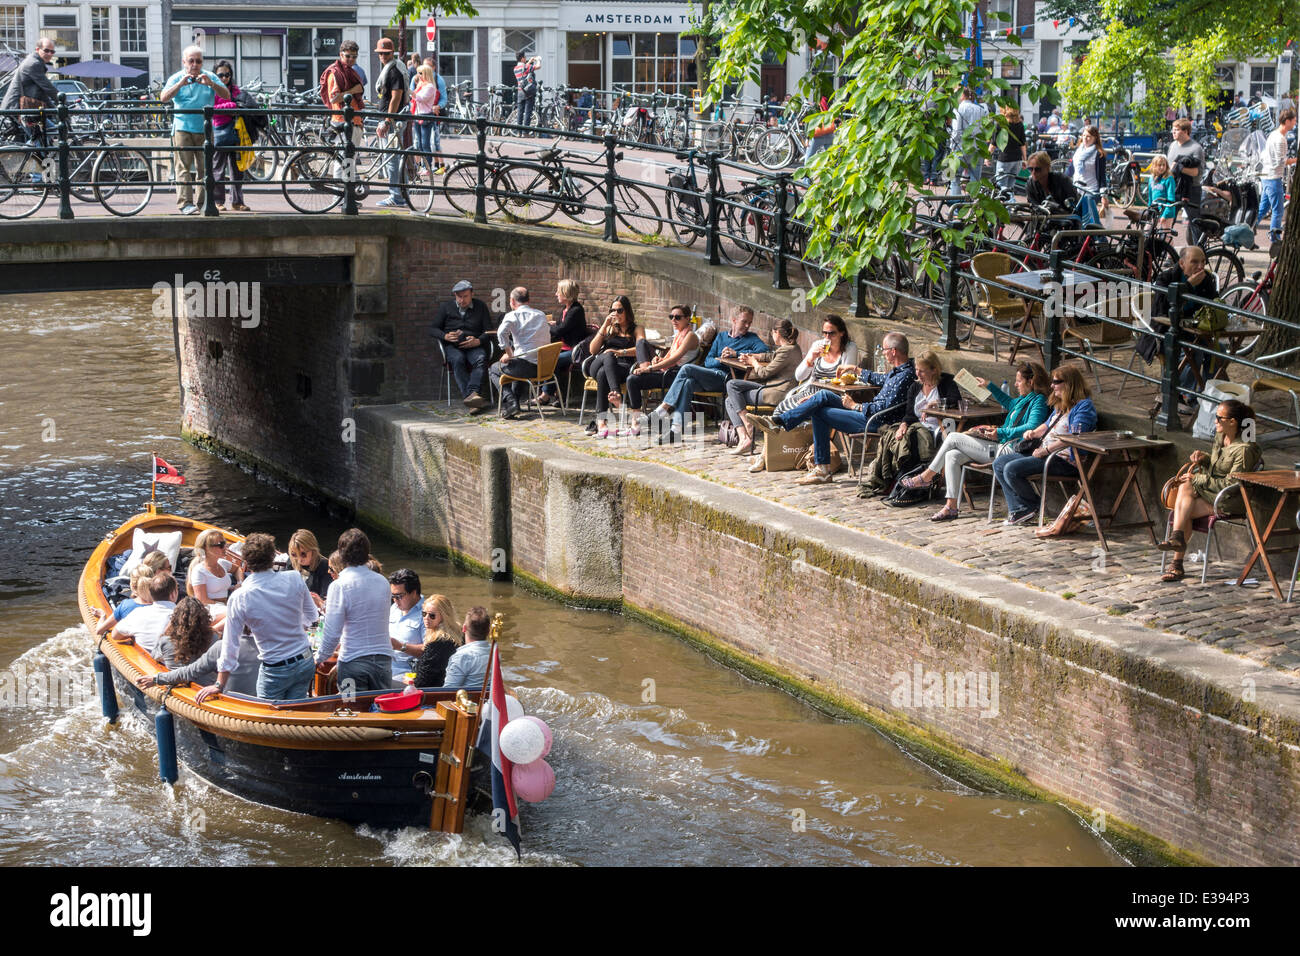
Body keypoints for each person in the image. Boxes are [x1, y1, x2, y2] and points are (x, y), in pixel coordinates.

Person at [898, 362, 1052, 521]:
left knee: (952, 438)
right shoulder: (1023, 399)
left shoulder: (1038, 400)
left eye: (1019, 381)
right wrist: (989, 386)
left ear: (1031, 382)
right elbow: (1009, 403)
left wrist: (1000, 432)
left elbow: (1033, 427)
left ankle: (927, 477)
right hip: (1001, 444)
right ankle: (951, 507)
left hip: (1011, 449)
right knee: (952, 455)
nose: (1015, 384)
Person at [765, 331, 917, 485]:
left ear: (893, 351)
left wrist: (855, 406)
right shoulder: (898, 371)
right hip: (869, 413)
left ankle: (821, 469)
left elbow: (884, 408)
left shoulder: (905, 376)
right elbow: (879, 378)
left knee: (819, 411)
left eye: (884, 350)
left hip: (875, 420)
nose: (882, 353)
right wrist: (854, 369)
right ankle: (781, 422)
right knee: (823, 395)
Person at [190, 533, 317, 702]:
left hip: (276, 670)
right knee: (294, 714)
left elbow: (230, 645)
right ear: (273, 557)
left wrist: (219, 684)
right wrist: (291, 624)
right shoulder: (295, 578)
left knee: (268, 723)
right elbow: (312, 616)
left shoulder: (239, 597)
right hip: (305, 660)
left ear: (247, 562)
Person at [1158, 399, 1262, 581]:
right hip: (1210, 493)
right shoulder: (1221, 437)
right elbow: (1217, 468)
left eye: (1219, 417)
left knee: (1184, 502)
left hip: (1229, 500)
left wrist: (1198, 478)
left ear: (1232, 422)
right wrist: (1204, 459)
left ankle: (1177, 560)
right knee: (1185, 497)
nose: (1214, 420)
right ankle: (1177, 547)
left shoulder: (1245, 450)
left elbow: (1231, 484)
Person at [991, 365, 1097, 525]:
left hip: (1063, 459)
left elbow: (1074, 437)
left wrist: (1046, 450)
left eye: (1056, 382)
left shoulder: (1084, 407)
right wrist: (1033, 433)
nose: (1052, 385)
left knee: (1011, 469)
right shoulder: (1061, 405)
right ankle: (1020, 509)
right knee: (999, 463)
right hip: (1045, 454)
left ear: (1069, 384)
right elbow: (1047, 426)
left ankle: (1033, 505)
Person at [648, 306, 769, 443]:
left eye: (749, 322)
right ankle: (675, 430)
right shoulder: (721, 337)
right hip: (712, 375)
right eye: (744, 321)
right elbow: (708, 361)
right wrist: (721, 360)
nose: (747, 325)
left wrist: (735, 354)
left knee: (687, 368)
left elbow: (765, 352)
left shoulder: (751, 338)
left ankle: (663, 409)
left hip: (728, 380)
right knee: (688, 383)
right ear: (734, 320)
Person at [859, 350, 962, 494]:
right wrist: (903, 425)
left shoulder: (946, 383)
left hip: (938, 428)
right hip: (917, 425)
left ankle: (906, 483)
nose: (918, 374)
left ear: (934, 370)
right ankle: (893, 481)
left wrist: (937, 403)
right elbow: (909, 414)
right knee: (895, 437)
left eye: (922, 371)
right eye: (916, 370)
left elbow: (956, 401)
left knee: (911, 440)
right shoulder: (915, 387)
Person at [313, 528, 394, 695]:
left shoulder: (339, 585)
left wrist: (319, 658)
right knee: (381, 711)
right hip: (383, 662)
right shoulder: (383, 582)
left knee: (350, 710)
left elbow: (332, 632)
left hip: (352, 664)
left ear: (342, 554)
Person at [159, 45, 229, 215]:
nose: (195, 64)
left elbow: (226, 95)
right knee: (182, 167)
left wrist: (211, 84)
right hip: (183, 128)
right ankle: (185, 204)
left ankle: (203, 203)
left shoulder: (209, 76)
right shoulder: (176, 78)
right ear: (184, 62)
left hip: (205, 129)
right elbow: (163, 98)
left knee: (204, 169)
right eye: (191, 61)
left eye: (198, 61)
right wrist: (180, 85)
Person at [613, 306, 700, 435]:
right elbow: (669, 356)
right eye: (671, 317)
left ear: (687, 319)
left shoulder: (691, 336)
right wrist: (659, 360)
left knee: (635, 375)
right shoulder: (678, 335)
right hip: (666, 371)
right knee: (632, 377)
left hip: (676, 375)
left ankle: (638, 423)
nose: (673, 320)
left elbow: (674, 359)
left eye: (678, 317)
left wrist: (649, 369)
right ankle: (635, 422)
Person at [725, 319, 802, 457]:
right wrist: (750, 356)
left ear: (776, 333)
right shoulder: (792, 348)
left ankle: (747, 429)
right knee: (731, 394)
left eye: (773, 333)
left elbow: (764, 373)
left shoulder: (787, 351)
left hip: (776, 392)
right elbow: (771, 356)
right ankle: (744, 439)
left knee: (731, 390)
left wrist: (753, 362)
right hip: (772, 388)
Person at [774, 313, 860, 416]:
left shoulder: (849, 348)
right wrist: (811, 359)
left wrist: (816, 394)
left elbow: (845, 379)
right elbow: (799, 376)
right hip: (810, 390)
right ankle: (772, 426)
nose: (827, 337)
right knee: (783, 406)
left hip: (831, 395)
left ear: (841, 333)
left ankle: (778, 425)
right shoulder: (818, 345)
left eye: (831, 333)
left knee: (798, 409)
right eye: (824, 333)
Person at [586, 295, 645, 436]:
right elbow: (593, 350)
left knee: (602, 374)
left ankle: (601, 424)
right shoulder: (610, 328)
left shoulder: (637, 329)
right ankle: (616, 393)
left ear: (627, 312)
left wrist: (620, 352)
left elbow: (641, 348)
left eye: (620, 310)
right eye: (613, 310)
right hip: (599, 363)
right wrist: (604, 326)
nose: (616, 314)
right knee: (608, 355)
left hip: (622, 368)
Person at [490, 286, 550, 420]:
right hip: (544, 369)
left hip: (525, 368)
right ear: (528, 300)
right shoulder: (541, 315)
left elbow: (501, 333)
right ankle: (515, 404)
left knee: (493, 369)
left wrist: (509, 353)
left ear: (511, 301)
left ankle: (511, 401)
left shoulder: (512, 315)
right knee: (518, 363)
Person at [431, 279, 492, 409]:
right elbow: (433, 329)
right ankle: (470, 397)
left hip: (473, 345)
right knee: (458, 359)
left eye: (465, 297)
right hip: (453, 346)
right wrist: (445, 336)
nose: (462, 300)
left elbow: (489, 331)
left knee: (481, 358)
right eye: (459, 297)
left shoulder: (480, 306)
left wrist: (478, 341)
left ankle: (472, 395)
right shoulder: (446, 307)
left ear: (472, 294)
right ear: (455, 295)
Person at [373, 37, 409, 209]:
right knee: (396, 157)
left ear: (392, 53)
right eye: (380, 53)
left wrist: (387, 121)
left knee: (392, 158)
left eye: (386, 53)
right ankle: (403, 194)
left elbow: (396, 97)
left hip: (393, 121)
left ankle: (396, 196)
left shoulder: (394, 70)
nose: (383, 56)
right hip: (392, 119)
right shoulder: (394, 68)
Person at [539, 279, 587, 406]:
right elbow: (561, 325)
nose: (556, 294)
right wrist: (554, 324)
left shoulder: (576, 310)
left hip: (574, 350)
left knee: (553, 361)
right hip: (563, 348)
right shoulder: (565, 309)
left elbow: (561, 330)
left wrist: (546, 328)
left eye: (558, 291)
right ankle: (556, 395)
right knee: (545, 357)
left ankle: (547, 395)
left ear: (566, 293)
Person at [0, 38, 58, 143]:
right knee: (38, 139)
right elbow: (48, 87)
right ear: (37, 49)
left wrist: (55, 109)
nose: (49, 54)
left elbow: (42, 92)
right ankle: (30, 156)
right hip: (20, 108)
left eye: (52, 51)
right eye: (46, 50)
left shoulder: (35, 62)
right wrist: (63, 102)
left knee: (50, 130)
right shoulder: (33, 64)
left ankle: (38, 156)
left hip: (25, 107)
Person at [210, 60, 250, 212]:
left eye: (227, 74)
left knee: (237, 169)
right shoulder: (212, 89)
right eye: (220, 75)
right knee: (218, 169)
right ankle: (218, 202)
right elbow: (212, 108)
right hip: (219, 131)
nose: (224, 78)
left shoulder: (235, 89)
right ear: (215, 75)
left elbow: (243, 103)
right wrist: (232, 106)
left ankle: (237, 201)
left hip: (236, 130)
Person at [113, 571, 180, 658]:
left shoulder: (137, 613)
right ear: (173, 594)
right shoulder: (185, 616)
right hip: (176, 667)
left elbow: (115, 635)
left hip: (145, 664)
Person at [1258, 108, 1296, 244]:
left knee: (1262, 209)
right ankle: (1275, 240)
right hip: (1273, 177)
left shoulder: (1273, 134)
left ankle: (1246, 230)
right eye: (1294, 120)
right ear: (1287, 121)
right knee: (1278, 211)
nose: (1295, 123)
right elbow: (1282, 161)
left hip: (1266, 175)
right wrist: (1296, 160)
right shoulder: (1281, 139)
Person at [187, 529, 242, 623]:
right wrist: (225, 604)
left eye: (225, 543)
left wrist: (240, 582)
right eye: (221, 545)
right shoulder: (199, 571)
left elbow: (237, 569)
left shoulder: (222, 563)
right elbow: (202, 600)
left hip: (224, 607)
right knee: (238, 613)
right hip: (209, 609)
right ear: (206, 548)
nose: (225, 547)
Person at [1167, 117, 1206, 244]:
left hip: (1192, 189)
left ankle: (1199, 252)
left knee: (1195, 223)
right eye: (1173, 130)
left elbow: (1197, 173)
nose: (1173, 132)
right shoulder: (1172, 146)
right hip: (1174, 187)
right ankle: (1166, 252)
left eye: (1176, 130)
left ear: (1186, 131)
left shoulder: (1196, 148)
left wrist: (1179, 168)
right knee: (1168, 220)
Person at [322, 40, 365, 144]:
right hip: (343, 123)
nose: (351, 59)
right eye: (348, 56)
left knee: (349, 158)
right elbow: (334, 99)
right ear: (341, 55)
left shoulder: (349, 71)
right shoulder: (335, 73)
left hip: (353, 122)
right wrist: (354, 90)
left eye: (354, 57)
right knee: (347, 159)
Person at [414, 594, 461, 688]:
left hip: (433, 694)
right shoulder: (458, 634)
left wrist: (410, 681)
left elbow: (422, 682)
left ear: (444, 616)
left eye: (432, 615)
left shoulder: (437, 643)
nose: (426, 618)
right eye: (424, 614)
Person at [949, 86, 988, 196]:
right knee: (975, 180)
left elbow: (956, 131)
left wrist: (952, 145)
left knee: (954, 178)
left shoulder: (958, 109)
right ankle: (973, 207)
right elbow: (986, 129)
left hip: (961, 148)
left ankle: (956, 208)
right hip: (977, 149)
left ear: (962, 95)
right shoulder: (981, 109)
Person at [443, 606, 492, 690]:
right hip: (486, 700)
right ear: (488, 631)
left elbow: (448, 691)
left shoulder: (461, 657)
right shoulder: (494, 652)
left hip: (466, 701)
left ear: (464, 628)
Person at [388, 568, 424, 681]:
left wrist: (400, 646)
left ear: (413, 593)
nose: (395, 600)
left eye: (399, 596)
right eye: (392, 596)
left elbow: (429, 651)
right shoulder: (394, 608)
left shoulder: (428, 614)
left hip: (407, 674)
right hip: (383, 667)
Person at [411, 64, 442, 181]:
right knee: (419, 144)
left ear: (426, 74)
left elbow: (421, 98)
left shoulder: (429, 86)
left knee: (425, 144)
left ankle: (427, 167)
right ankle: (423, 166)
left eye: (420, 73)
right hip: (418, 115)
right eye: (418, 73)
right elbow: (415, 98)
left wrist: (410, 91)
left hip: (425, 115)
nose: (418, 75)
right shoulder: (421, 85)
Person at [1071, 125, 1107, 226]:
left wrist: (1103, 196)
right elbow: (1071, 169)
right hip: (1077, 189)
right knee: (1075, 218)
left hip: (1091, 190)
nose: (1085, 139)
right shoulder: (1078, 151)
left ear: (1095, 138)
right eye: (1084, 135)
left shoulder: (1099, 154)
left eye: (1089, 136)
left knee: (1090, 219)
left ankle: (1100, 238)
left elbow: (1102, 176)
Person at [288, 529, 332, 608]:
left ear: (313, 550)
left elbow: (324, 598)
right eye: (294, 554)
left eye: (303, 554)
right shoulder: (291, 561)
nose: (299, 559)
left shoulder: (324, 566)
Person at [993, 104, 1027, 196]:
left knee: (1001, 186)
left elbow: (994, 143)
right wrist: (1025, 159)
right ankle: (1010, 207)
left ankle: (1010, 204)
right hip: (1017, 160)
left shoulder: (1000, 125)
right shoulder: (1019, 124)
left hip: (1005, 159)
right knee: (1010, 187)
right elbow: (1022, 144)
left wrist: (987, 157)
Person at [1148, 155, 1177, 232]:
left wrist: (1165, 215)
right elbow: (1150, 197)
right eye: (1159, 165)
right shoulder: (1151, 178)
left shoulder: (1169, 178)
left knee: (1165, 235)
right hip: (1155, 210)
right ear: (1154, 166)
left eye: (1164, 165)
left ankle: (1169, 244)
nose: (1162, 167)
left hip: (1167, 211)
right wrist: (1149, 210)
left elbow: (1171, 198)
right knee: (1147, 231)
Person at [513, 52, 540, 134]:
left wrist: (530, 61)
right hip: (528, 92)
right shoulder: (526, 66)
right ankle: (525, 132)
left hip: (520, 92)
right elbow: (538, 66)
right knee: (528, 111)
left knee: (520, 112)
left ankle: (519, 132)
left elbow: (524, 69)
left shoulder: (516, 68)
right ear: (522, 58)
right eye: (525, 57)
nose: (525, 59)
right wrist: (538, 60)